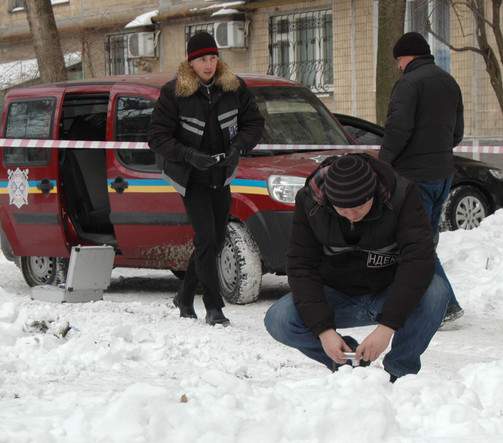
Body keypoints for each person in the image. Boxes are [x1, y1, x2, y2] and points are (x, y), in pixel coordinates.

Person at [264, 153, 451, 381]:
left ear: (373, 193)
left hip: (387, 291)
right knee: (279, 319)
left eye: (360, 206)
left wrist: (387, 327)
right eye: (342, 209)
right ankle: (346, 361)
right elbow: (301, 266)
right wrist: (323, 330)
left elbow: (419, 260)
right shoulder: (310, 201)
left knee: (436, 291)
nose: (352, 215)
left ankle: (400, 373)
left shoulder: (403, 195)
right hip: (337, 294)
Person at [148, 31, 264, 326]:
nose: (209, 64)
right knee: (208, 238)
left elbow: (254, 122)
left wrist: (239, 148)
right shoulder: (174, 92)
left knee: (212, 239)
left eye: (213, 57)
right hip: (191, 177)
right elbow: (157, 137)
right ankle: (214, 307)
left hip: (222, 175)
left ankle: (185, 295)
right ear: (191, 62)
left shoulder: (233, 88)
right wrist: (188, 155)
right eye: (202, 59)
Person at [379, 32, 464, 326]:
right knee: (424, 241)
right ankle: (426, 300)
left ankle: (444, 304)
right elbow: (457, 133)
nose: (399, 66)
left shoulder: (408, 84)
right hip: (442, 174)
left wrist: (383, 164)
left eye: (399, 60)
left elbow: (397, 131)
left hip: (414, 178)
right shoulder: (448, 81)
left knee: (417, 245)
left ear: (407, 56)